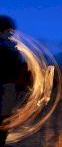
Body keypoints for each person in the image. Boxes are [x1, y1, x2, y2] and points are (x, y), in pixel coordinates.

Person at [0, 15, 28, 146]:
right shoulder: (9, 49)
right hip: (4, 92)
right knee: (2, 124)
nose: (12, 34)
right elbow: (15, 72)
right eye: (9, 32)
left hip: (6, 93)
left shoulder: (10, 48)